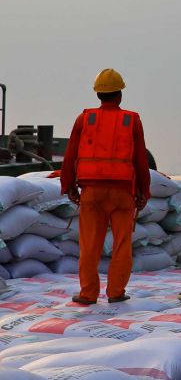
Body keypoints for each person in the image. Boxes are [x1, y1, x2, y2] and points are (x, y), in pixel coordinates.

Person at [61, 68, 151, 305]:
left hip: (92, 193)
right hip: (123, 193)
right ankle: (116, 292)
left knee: (90, 245)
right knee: (122, 245)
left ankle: (88, 294)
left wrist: (68, 186)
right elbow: (141, 160)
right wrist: (144, 191)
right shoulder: (131, 120)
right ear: (119, 94)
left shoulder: (85, 119)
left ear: (98, 95)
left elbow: (69, 156)